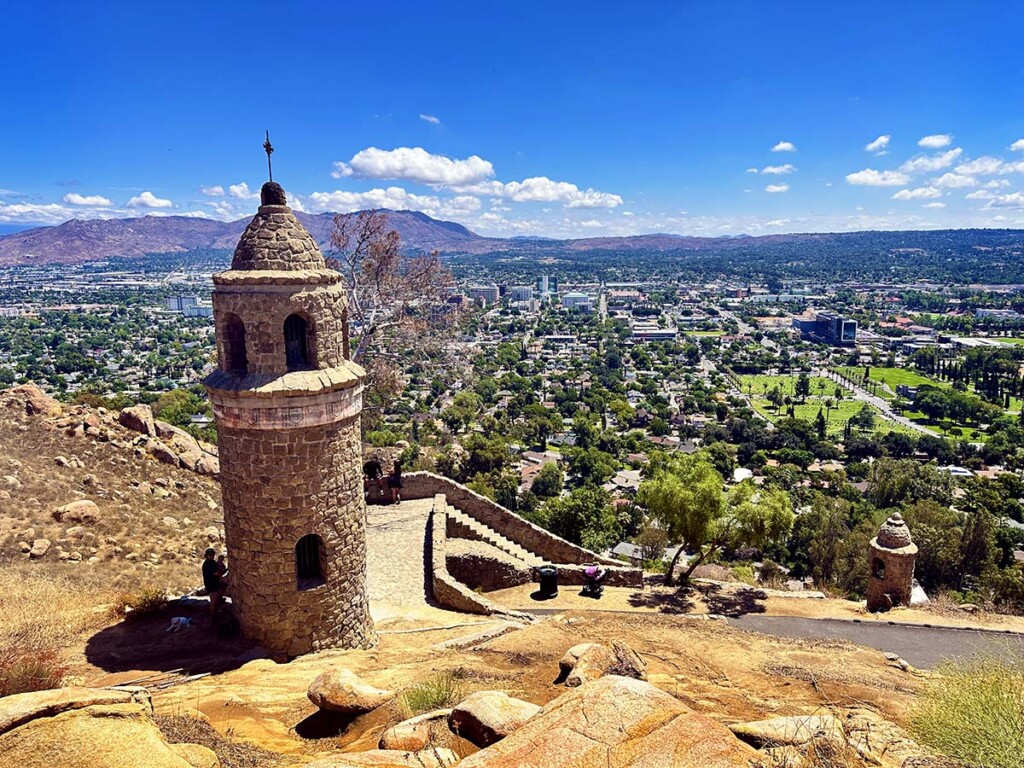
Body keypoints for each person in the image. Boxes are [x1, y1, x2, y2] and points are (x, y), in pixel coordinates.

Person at [202, 548, 225, 617]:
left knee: (217, 598)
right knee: (213, 600)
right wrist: (223, 572)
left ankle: (215, 613)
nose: (212, 556)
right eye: (210, 555)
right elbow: (216, 573)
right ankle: (213, 615)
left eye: (213, 554)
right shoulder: (208, 564)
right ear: (206, 555)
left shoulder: (212, 562)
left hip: (215, 583)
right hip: (211, 584)